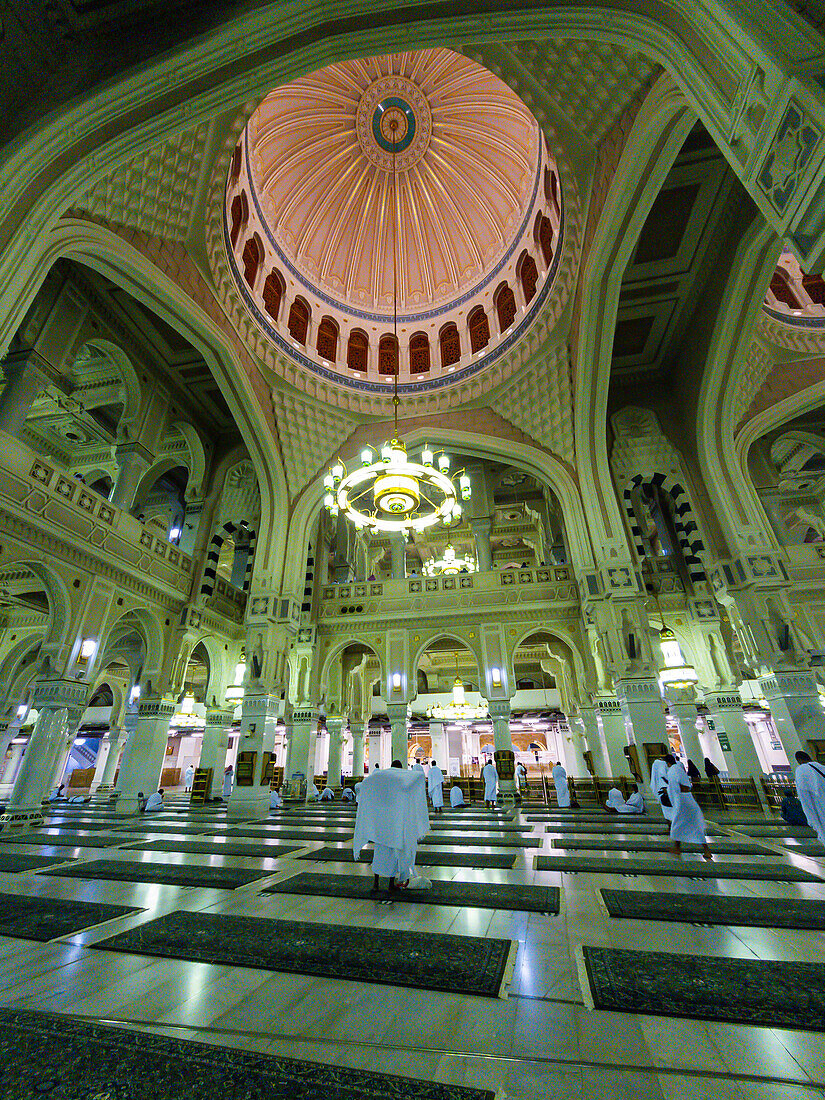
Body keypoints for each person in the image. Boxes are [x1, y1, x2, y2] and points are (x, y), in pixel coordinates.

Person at [353, 759, 429, 894]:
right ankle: (390, 884)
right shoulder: (399, 781)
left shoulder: (380, 777)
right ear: (400, 769)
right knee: (393, 855)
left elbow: (361, 785)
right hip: (394, 823)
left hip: (381, 824)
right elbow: (419, 776)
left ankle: (376, 884)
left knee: (379, 854)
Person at [667, 759, 712, 860]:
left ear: (668, 763)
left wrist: (676, 804)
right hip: (689, 798)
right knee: (694, 826)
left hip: (681, 801)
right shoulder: (680, 770)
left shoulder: (672, 771)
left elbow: (674, 788)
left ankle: (677, 848)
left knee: (676, 824)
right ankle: (706, 850)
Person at [794, 751, 825, 844]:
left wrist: (811, 818)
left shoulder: (801, 770)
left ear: (799, 760)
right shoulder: (821, 767)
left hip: (819, 805)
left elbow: (804, 796)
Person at [650, 754, 675, 822]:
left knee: (668, 811)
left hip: (663, 790)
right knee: (669, 811)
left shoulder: (657, 764)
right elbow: (663, 775)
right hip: (665, 790)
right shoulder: (662, 765)